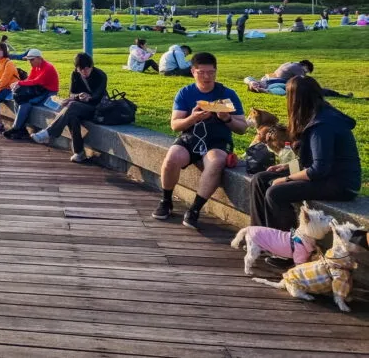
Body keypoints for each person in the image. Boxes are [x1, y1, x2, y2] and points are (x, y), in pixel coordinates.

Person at [249, 76, 361, 247]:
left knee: (275, 192)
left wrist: (286, 179)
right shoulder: (314, 116)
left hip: (340, 183)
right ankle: (262, 239)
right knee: (260, 179)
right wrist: (287, 167)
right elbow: (314, 159)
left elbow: (319, 169)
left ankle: (288, 248)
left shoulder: (322, 125)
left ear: (295, 99)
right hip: (324, 174)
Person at [151, 52, 246, 229]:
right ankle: (166, 200)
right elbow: (175, 125)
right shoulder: (185, 93)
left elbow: (242, 128)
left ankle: (195, 209)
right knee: (172, 157)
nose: (207, 77)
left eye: (211, 72)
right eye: (202, 72)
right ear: (193, 71)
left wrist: (226, 118)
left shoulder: (227, 94)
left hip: (217, 141)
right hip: (191, 138)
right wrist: (192, 118)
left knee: (216, 161)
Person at [31, 52, 106, 162]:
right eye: (81, 69)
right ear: (77, 69)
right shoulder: (75, 74)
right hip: (78, 106)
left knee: (72, 106)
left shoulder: (100, 75)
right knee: (72, 114)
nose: (84, 72)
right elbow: (72, 93)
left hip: (96, 108)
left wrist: (88, 98)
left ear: (91, 66)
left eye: (87, 69)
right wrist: (77, 96)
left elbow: (98, 95)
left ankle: (48, 132)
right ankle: (79, 152)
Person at [3, 49, 60, 140]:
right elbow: (30, 79)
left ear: (39, 58)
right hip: (39, 90)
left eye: (32, 60)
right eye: (29, 60)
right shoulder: (36, 66)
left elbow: (36, 81)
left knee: (26, 102)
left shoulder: (48, 67)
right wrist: (19, 84)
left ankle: (17, 128)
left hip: (48, 93)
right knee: (18, 98)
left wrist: (19, 83)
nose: (30, 62)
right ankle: (20, 128)